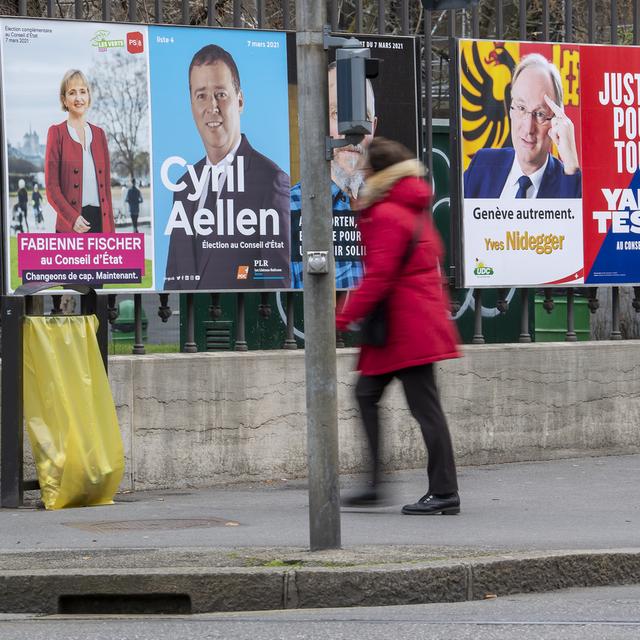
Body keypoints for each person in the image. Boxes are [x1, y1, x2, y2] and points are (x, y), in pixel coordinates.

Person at [336, 138, 461, 515]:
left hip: (408, 328)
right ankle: (375, 485)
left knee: (425, 408)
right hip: (400, 326)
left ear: (379, 174)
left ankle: (444, 492)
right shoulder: (405, 206)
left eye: (366, 170)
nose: (360, 175)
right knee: (366, 395)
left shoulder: (390, 212)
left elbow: (379, 277)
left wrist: (340, 317)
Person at [163, 44, 290, 290]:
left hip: (244, 324)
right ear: (191, 105)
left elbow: (277, 283)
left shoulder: (270, 181)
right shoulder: (184, 185)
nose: (212, 107)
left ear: (239, 100)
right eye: (201, 96)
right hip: (190, 327)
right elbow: (174, 281)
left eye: (221, 94)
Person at [290, 61, 378, 289]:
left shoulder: (391, 206)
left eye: (363, 116)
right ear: (314, 123)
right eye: (337, 113)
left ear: (374, 127)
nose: (351, 131)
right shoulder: (286, 210)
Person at [463, 53, 582, 199]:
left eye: (540, 114)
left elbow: (580, 219)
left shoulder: (568, 183)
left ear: (556, 121)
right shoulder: (481, 165)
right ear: (510, 110)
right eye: (521, 108)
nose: (528, 128)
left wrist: (571, 164)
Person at [45, 69, 115, 233]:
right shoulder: (56, 133)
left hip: (101, 224)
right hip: (71, 225)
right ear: (64, 99)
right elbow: (51, 188)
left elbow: (106, 191)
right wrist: (72, 218)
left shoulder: (99, 134)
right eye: (72, 92)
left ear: (88, 96)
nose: (78, 98)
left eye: (83, 92)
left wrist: (112, 233)